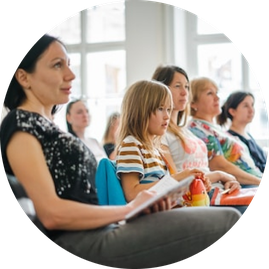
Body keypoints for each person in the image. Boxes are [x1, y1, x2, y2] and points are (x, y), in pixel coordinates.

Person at [0, 34, 241, 268]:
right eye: (57, 65)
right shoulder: (22, 125)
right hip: (81, 241)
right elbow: (52, 214)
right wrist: (127, 210)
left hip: (103, 228)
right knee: (228, 219)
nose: (71, 74)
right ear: (23, 77)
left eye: (69, 65)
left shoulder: (44, 125)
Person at [151, 65, 248, 213]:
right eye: (177, 86)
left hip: (217, 191)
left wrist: (229, 180)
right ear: (161, 89)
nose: (184, 92)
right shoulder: (161, 134)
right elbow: (176, 179)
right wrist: (221, 175)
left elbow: (204, 170)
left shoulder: (186, 131)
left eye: (187, 87)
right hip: (197, 198)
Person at [115, 79, 211, 203]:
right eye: (160, 109)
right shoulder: (131, 145)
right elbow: (132, 194)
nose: (167, 116)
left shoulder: (155, 150)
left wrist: (192, 185)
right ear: (140, 112)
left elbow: (163, 190)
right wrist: (177, 178)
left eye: (169, 109)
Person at [188, 77, 262, 187]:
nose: (217, 97)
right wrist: (259, 181)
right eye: (209, 93)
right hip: (244, 185)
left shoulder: (216, 129)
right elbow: (220, 166)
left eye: (216, 93)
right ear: (193, 103)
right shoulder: (197, 129)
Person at [217, 91, 268, 174]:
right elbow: (252, 168)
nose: (251, 110)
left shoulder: (248, 135)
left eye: (252, 105)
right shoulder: (231, 139)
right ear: (232, 111)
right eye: (245, 106)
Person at [66, 99, 107, 163]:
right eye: (79, 112)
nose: (85, 115)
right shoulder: (69, 144)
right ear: (69, 118)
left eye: (87, 111)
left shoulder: (94, 141)